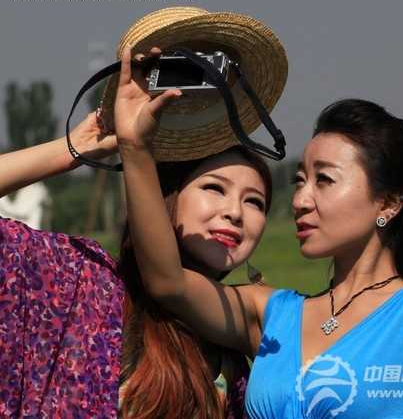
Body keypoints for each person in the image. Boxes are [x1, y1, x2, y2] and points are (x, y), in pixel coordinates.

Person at [116, 47, 403, 417]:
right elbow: (167, 282)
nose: (300, 200)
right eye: (300, 181)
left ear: (388, 203)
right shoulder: (271, 314)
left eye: (324, 180)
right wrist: (135, 148)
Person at [0, 103, 273, 416]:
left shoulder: (238, 357)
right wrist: (75, 147)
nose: (235, 212)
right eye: (215, 188)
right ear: (166, 195)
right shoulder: (81, 282)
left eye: (254, 202)